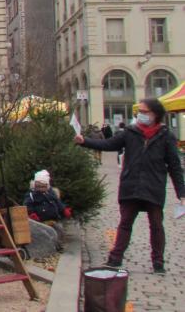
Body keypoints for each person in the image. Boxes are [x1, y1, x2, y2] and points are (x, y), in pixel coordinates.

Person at [74, 98, 185, 274]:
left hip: (153, 187)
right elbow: (109, 144)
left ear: (154, 114)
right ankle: (115, 259)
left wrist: (181, 192)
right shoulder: (130, 132)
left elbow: (174, 166)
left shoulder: (166, 136)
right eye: (138, 111)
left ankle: (158, 262)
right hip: (131, 185)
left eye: (144, 111)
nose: (140, 114)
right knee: (125, 223)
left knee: (156, 225)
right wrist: (84, 141)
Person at [23, 170, 71, 240]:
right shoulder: (32, 195)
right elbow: (28, 205)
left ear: (47, 186)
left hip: (53, 218)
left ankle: (58, 243)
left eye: (42, 187)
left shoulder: (50, 193)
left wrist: (64, 209)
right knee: (47, 233)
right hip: (40, 220)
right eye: (38, 186)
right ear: (35, 185)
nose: (40, 189)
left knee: (59, 230)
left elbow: (57, 202)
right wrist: (31, 213)